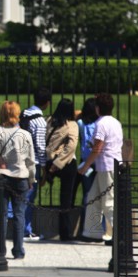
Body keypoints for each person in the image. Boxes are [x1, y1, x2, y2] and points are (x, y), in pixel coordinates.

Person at [0, 101, 35, 260]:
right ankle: (18, 250)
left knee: (2, 215)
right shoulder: (25, 134)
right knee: (19, 215)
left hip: (3, 176)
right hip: (21, 176)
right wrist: (32, 178)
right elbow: (31, 160)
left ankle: (0, 248)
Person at [78, 93, 122, 243]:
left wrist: (85, 166)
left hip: (106, 166)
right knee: (93, 199)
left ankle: (117, 234)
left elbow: (97, 148)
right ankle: (93, 232)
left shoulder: (101, 123)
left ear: (98, 108)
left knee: (108, 202)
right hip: (109, 165)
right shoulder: (115, 122)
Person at [44, 98, 79, 241]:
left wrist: (51, 164)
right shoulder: (71, 125)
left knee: (65, 198)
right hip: (66, 163)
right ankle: (65, 232)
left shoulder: (50, 121)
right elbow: (71, 146)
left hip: (50, 160)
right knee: (66, 199)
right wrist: (58, 163)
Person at [21, 87, 52, 241]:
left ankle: (19, 226)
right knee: (29, 197)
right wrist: (45, 168)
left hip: (19, 159)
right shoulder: (39, 121)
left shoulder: (24, 114)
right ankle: (26, 230)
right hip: (33, 163)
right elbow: (40, 147)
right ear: (47, 103)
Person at [72, 98, 102, 233]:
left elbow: (74, 114)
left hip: (86, 162)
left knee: (87, 195)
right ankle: (97, 227)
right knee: (100, 196)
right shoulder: (100, 123)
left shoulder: (80, 123)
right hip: (99, 161)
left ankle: (85, 228)